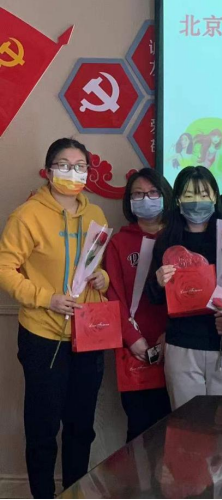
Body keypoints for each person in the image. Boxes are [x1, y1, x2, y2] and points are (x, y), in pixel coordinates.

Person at [0, 139, 109, 499]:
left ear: (88, 172)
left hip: (88, 335)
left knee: (81, 427)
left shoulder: (96, 216)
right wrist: (46, 298)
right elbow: (4, 269)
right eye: (64, 164)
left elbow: (97, 269)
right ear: (48, 171)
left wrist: (103, 278)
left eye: (80, 166)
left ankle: (75, 492)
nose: (72, 172)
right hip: (43, 336)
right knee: (42, 430)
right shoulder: (27, 215)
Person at [148, 166, 222, 410]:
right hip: (182, 345)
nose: (197, 201)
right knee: (187, 424)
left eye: (204, 194)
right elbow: (154, 298)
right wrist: (159, 282)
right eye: (189, 195)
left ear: (215, 196)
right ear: (177, 199)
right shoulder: (166, 239)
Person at [103, 168, 174, 442]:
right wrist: (133, 340)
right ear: (129, 201)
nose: (146, 199)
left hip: (174, 345)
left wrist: (171, 336)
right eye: (138, 194)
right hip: (134, 350)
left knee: (176, 432)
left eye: (153, 193)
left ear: (165, 195)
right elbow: (113, 296)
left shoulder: (177, 238)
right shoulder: (118, 243)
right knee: (139, 432)